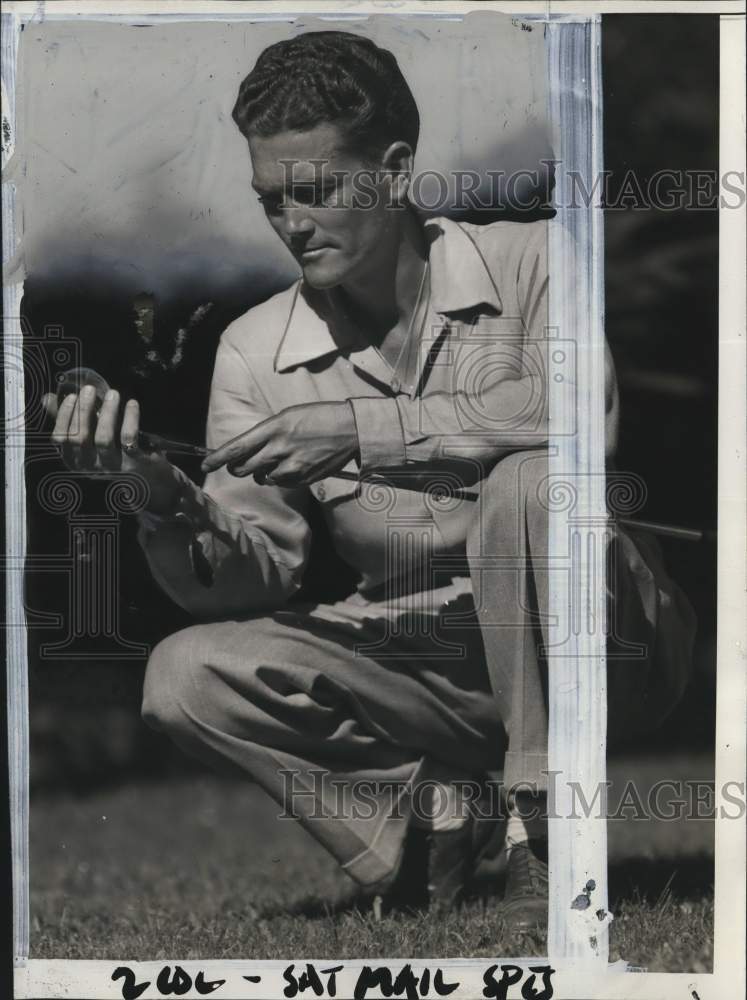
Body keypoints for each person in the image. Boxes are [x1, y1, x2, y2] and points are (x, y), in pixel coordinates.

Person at [44, 30, 696, 926]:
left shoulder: (536, 260)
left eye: (313, 192)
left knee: (529, 484)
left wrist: (361, 427)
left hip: (608, 650)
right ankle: (430, 823)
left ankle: (545, 825)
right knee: (185, 674)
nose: (290, 224)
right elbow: (252, 576)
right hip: (426, 667)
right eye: (270, 200)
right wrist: (158, 498)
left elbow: (585, 420)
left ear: (393, 173)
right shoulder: (253, 350)